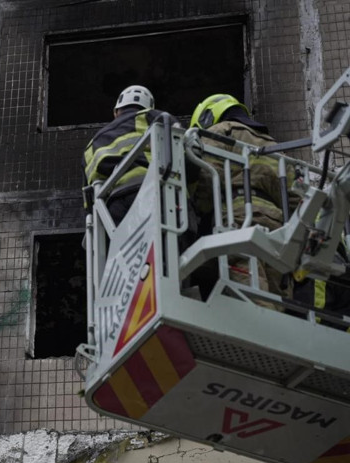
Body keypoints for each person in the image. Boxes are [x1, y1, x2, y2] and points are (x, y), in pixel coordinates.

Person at [189, 94, 295, 301]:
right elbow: (295, 198)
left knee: (252, 294)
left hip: (239, 221)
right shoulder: (277, 149)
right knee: (277, 298)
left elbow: (208, 178)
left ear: (207, 117)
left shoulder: (222, 132)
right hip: (278, 228)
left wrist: (198, 211)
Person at [82, 85, 177, 225]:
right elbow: (181, 147)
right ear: (147, 107)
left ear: (116, 112)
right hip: (152, 191)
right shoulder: (153, 116)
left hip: (113, 209)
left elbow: (87, 201)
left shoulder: (91, 145)